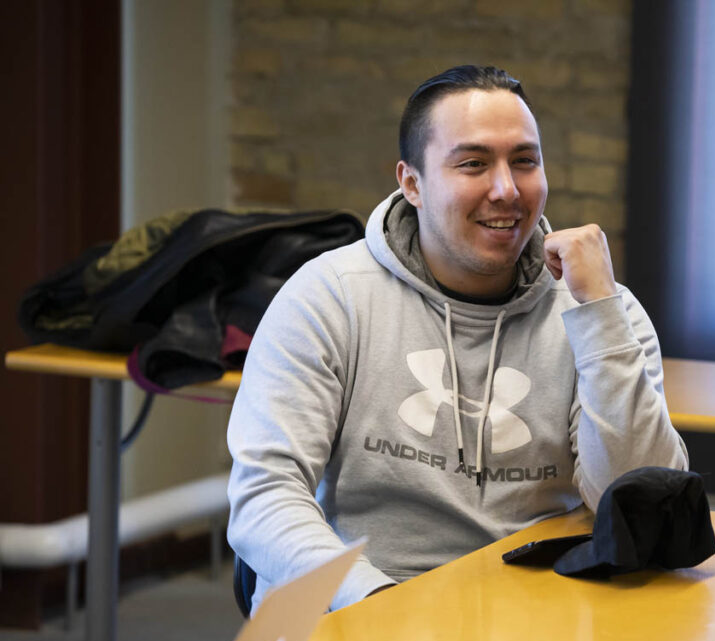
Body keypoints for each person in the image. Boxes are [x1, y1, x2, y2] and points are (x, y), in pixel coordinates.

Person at [226, 65, 688, 613]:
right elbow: (264, 496)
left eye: (525, 161)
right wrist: (375, 603)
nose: (506, 190)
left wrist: (601, 317)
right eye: (473, 164)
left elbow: (638, 505)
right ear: (412, 183)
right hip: (359, 604)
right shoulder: (330, 297)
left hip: (528, 609)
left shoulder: (601, 311)